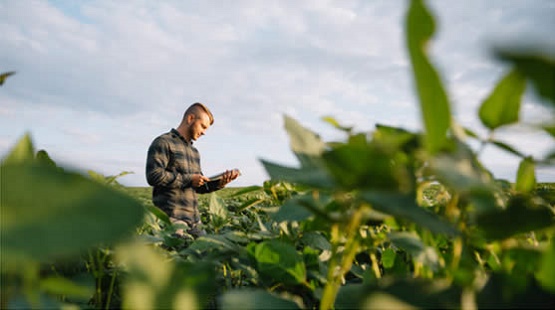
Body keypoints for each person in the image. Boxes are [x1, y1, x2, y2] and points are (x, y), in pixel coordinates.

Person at [145, 102, 239, 238]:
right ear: (190, 119)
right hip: (171, 219)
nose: (204, 132)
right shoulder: (163, 142)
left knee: (208, 252)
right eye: (203, 126)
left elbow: (198, 187)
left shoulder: (194, 152)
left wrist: (220, 183)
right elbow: (154, 175)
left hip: (195, 222)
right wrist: (189, 179)